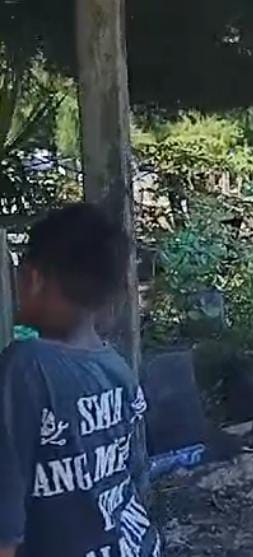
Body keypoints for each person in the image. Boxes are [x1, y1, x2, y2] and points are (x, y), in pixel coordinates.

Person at [0, 204, 159, 557]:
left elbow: (4, 528)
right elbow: (133, 475)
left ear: (33, 279)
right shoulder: (118, 370)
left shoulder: (23, 369)